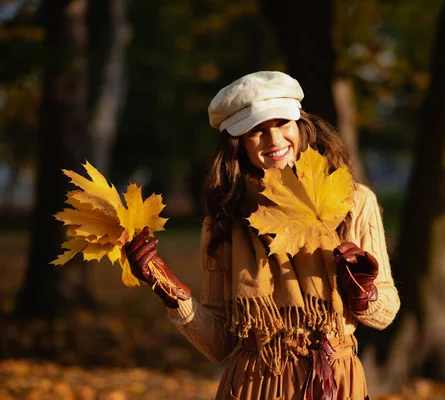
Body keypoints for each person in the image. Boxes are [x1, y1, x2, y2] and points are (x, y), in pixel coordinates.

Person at [126, 71, 400, 399]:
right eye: (256, 131)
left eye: (282, 123)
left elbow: (385, 314)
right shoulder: (225, 220)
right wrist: (170, 290)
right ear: (238, 143)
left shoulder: (354, 202)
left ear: (302, 126)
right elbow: (219, 345)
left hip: (335, 382)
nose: (273, 141)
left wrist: (363, 292)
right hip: (255, 384)